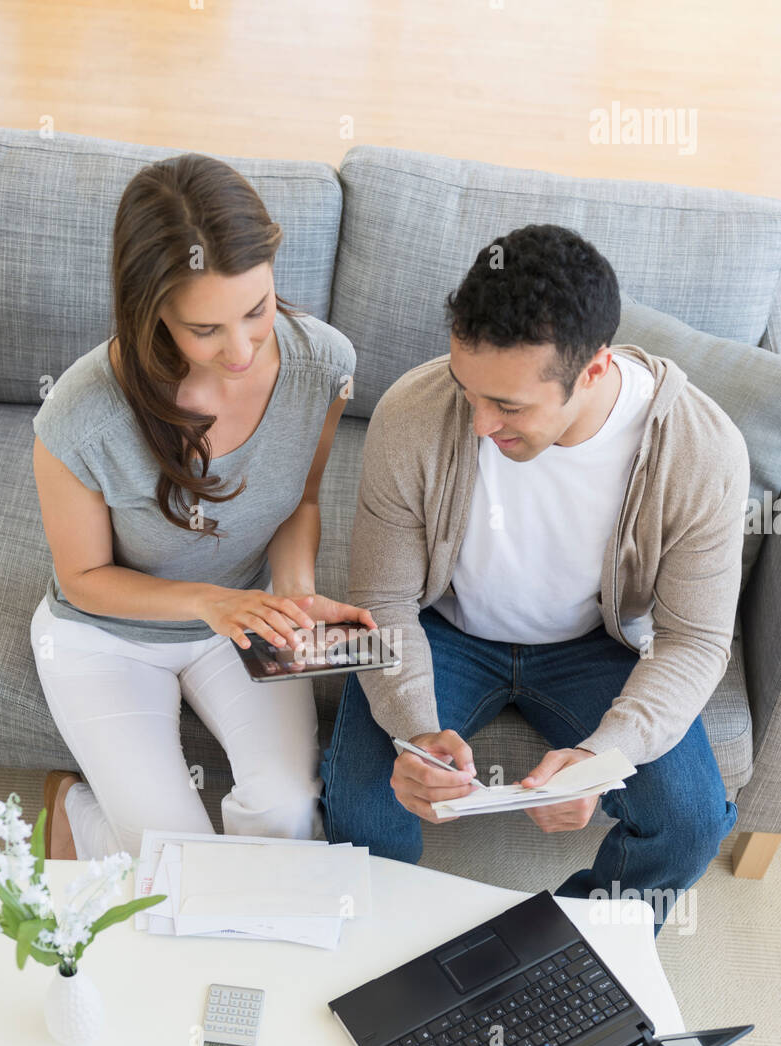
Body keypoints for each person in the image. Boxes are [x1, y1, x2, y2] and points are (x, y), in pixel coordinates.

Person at [320, 224, 748, 931]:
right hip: (445, 631)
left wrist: (599, 757)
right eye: (468, 390)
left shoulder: (701, 452)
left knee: (688, 819)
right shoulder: (412, 412)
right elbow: (384, 600)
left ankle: (581, 943)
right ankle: (377, 942)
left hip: (593, 647)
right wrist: (416, 730)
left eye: (510, 406)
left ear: (593, 369)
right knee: (364, 805)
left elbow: (694, 642)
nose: (480, 422)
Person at [31, 152, 372, 860]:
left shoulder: (324, 366)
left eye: (257, 310)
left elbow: (300, 501)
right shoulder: (79, 415)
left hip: (240, 618)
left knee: (287, 815)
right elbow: (83, 580)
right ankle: (72, 809)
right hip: (108, 633)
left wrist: (295, 599)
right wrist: (208, 603)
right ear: (151, 312)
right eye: (205, 330)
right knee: (179, 862)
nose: (243, 349)